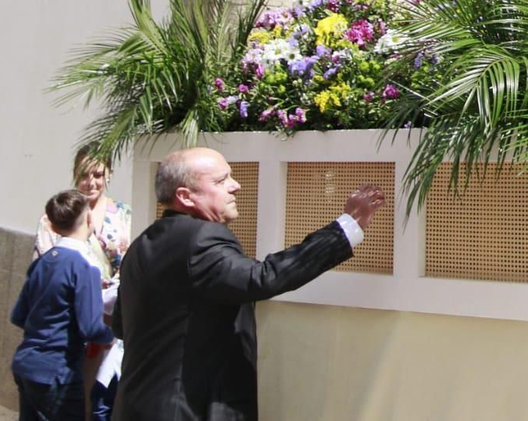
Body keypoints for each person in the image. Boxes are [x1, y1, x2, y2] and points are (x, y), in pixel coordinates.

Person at [113, 148, 385, 421]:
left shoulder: (142, 244)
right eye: (220, 181)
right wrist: (347, 227)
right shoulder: (200, 238)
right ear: (186, 196)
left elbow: (121, 325)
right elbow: (263, 277)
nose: (236, 186)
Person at [34, 148, 130, 419]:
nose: (91, 181)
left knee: (100, 393)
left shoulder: (123, 213)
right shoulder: (54, 216)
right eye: (84, 174)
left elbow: (130, 263)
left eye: (98, 174)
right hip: (69, 322)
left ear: (109, 174)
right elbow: (44, 266)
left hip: (110, 318)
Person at [10, 190, 115, 421]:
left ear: (55, 228)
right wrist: (114, 335)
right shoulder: (85, 268)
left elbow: (18, 316)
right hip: (58, 372)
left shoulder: (42, 263)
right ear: (89, 219)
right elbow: (91, 328)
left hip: (26, 366)